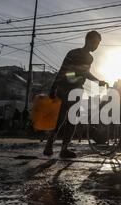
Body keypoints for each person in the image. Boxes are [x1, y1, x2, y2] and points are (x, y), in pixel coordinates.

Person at [44, 30, 107, 158]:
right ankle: (49, 145)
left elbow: (85, 73)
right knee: (60, 119)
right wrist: (54, 87)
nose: (96, 46)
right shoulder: (73, 53)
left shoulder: (90, 58)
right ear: (87, 40)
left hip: (77, 90)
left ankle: (64, 149)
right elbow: (64, 70)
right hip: (65, 88)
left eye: (98, 44)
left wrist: (97, 81)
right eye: (95, 42)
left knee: (72, 120)